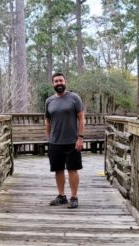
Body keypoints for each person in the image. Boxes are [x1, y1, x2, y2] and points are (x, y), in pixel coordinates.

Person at [44, 72, 85, 209]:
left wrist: (80, 137)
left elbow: (81, 119)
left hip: (72, 141)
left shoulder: (74, 98)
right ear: (53, 84)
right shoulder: (49, 101)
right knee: (58, 170)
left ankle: (74, 197)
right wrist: (49, 139)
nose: (59, 83)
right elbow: (48, 121)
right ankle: (61, 196)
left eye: (60, 80)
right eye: (56, 81)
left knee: (72, 170)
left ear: (65, 81)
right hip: (55, 142)